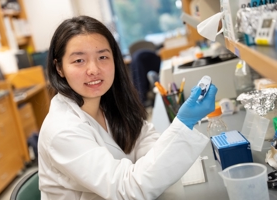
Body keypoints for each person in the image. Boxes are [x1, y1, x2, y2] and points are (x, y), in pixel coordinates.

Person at [38, 15, 218, 200]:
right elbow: (127, 189)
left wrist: (154, 166)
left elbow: (145, 139)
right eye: (79, 61)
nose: (94, 69)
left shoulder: (109, 101)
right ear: (59, 67)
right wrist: (183, 124)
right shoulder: (62, 130)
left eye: (102, 57)